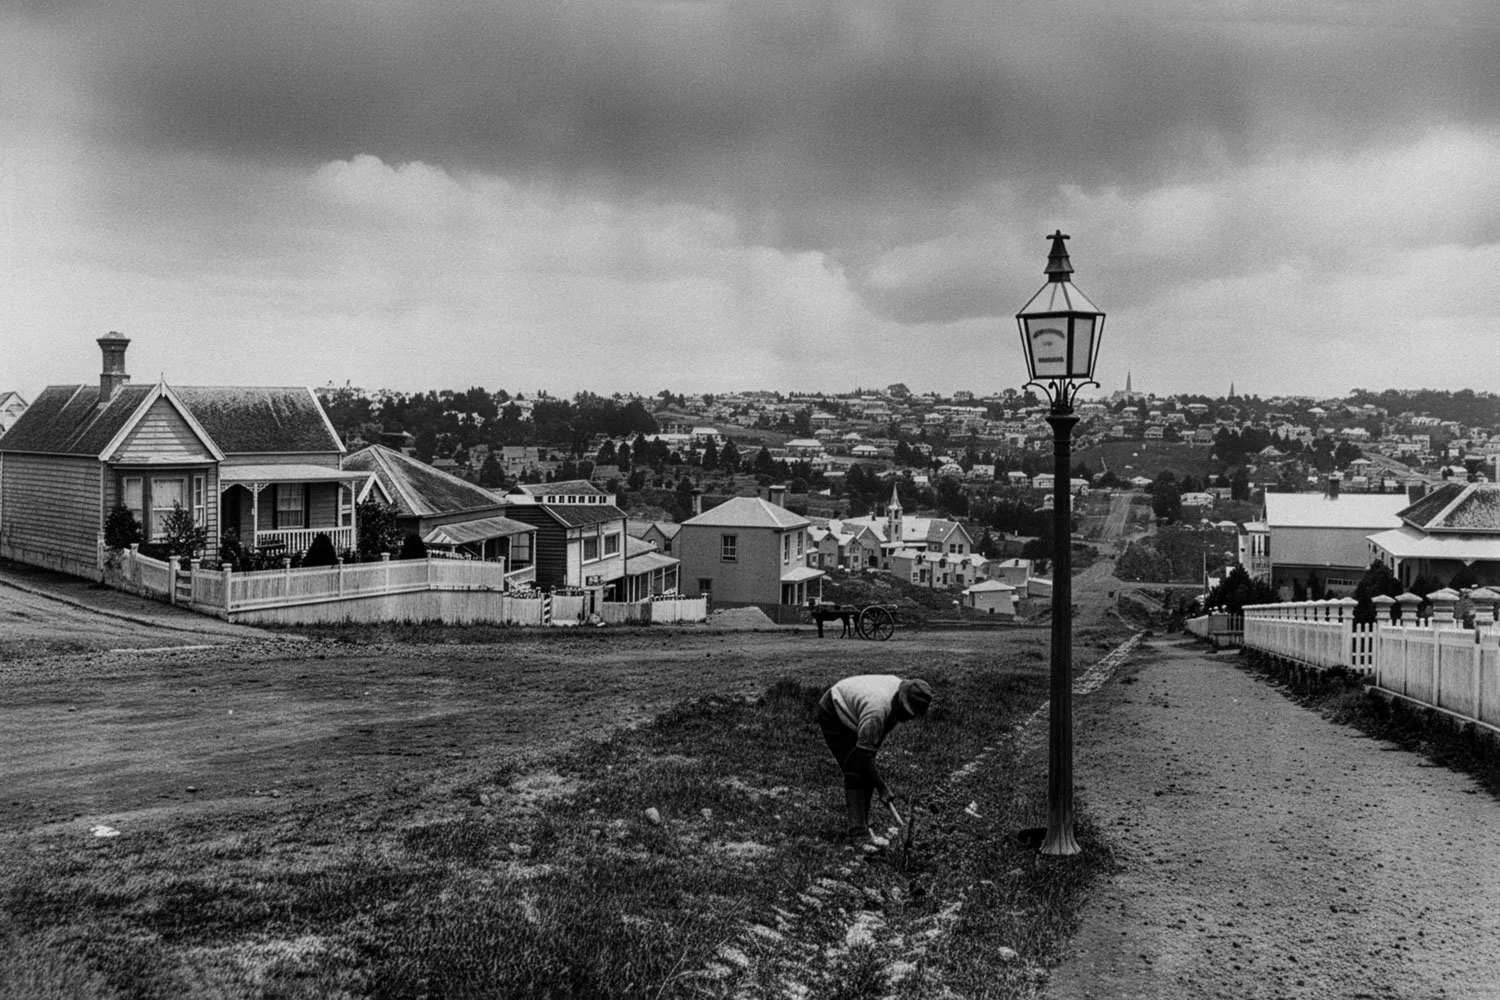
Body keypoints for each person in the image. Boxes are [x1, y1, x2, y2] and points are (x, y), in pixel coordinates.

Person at [817, 674, 933, 845]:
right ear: (901, 701)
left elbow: (871, 747)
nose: (908, 718)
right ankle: (859, 835)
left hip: (860, 710)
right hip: (834, 708)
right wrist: (882, 787)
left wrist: (873, 773)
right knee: (855, 771)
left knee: (867, 771)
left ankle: (863, 825)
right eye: (908, 712)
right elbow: (864, 756)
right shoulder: (877, 711)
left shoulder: (897, 699)